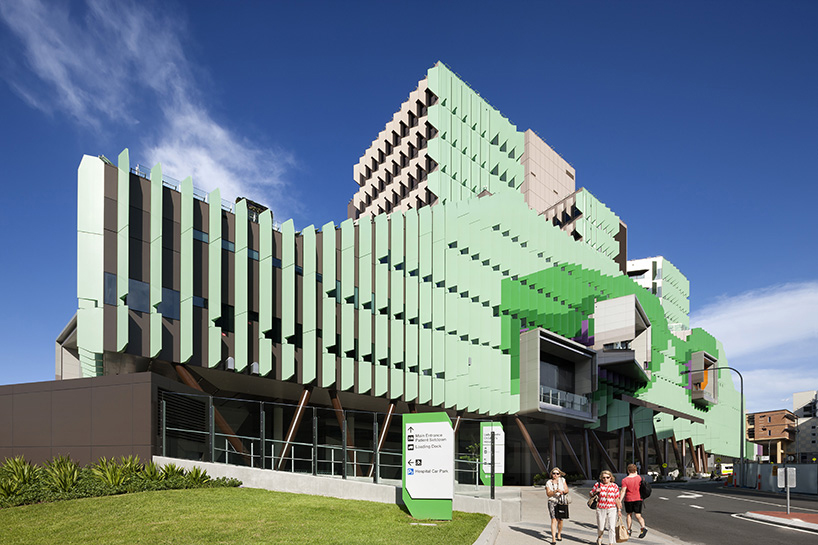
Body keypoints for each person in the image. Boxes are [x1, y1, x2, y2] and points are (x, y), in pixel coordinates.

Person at [590, 470, 622, 545]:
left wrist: (619, 510)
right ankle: (600, 537)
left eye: (607, 477)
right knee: (601, 527)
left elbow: (617, 498)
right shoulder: (598, 485)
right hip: (601, 508)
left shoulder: (614, 486)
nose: (605, 479)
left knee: (611, 527)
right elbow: (591, 494)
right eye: (603, 477)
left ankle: (611, 542)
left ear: (611, 477)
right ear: (601, 478)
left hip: (612, 508)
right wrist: (596, 491)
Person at [619, 463, 648, 538]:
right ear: (635, 470)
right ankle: (643, 527)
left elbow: (623, 491)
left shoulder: (625, 480)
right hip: (638, 498)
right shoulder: (639, 478)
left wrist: (619, 500)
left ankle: (629, 530)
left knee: (629, 515)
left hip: (628, 499)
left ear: (628, 470)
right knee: (638, 515)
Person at [545, 467, 569, 544]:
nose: (555, 475)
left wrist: (562, 491)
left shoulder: (562, 480)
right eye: (554, 473)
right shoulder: (548, 482)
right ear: (551, 474)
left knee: (560, 519)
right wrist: (555, 491)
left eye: (557, 473)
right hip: (552, 501)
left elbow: (567, 490)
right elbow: (548, 494)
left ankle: (559, 534)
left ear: (560, 474)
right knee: (553, 519)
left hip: (561, 501)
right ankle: (553, 538)